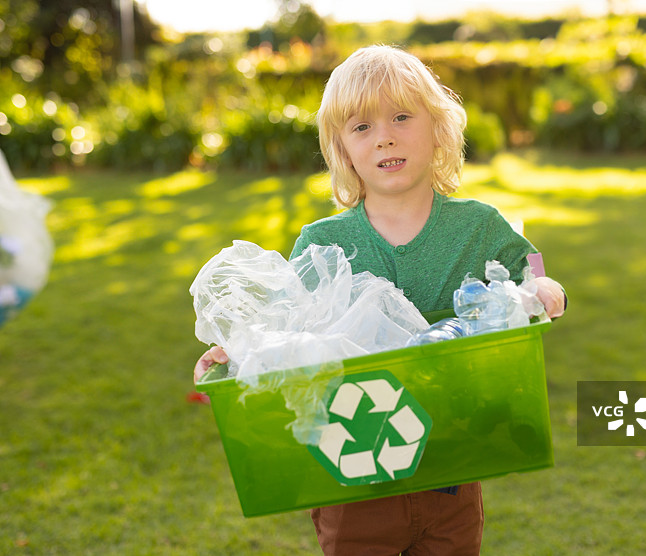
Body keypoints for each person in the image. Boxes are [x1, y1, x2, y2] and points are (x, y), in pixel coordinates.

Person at [194, 44, 566, 556]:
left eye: (401, 117)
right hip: (351, 470)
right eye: (361, 127)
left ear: (437, 128)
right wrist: (235, 354)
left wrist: (546, 290)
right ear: (343, 148)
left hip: (452, 464)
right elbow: (286, 334)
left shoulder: (478, 227)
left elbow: (533, 276)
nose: (384, 135)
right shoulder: (322, 244)